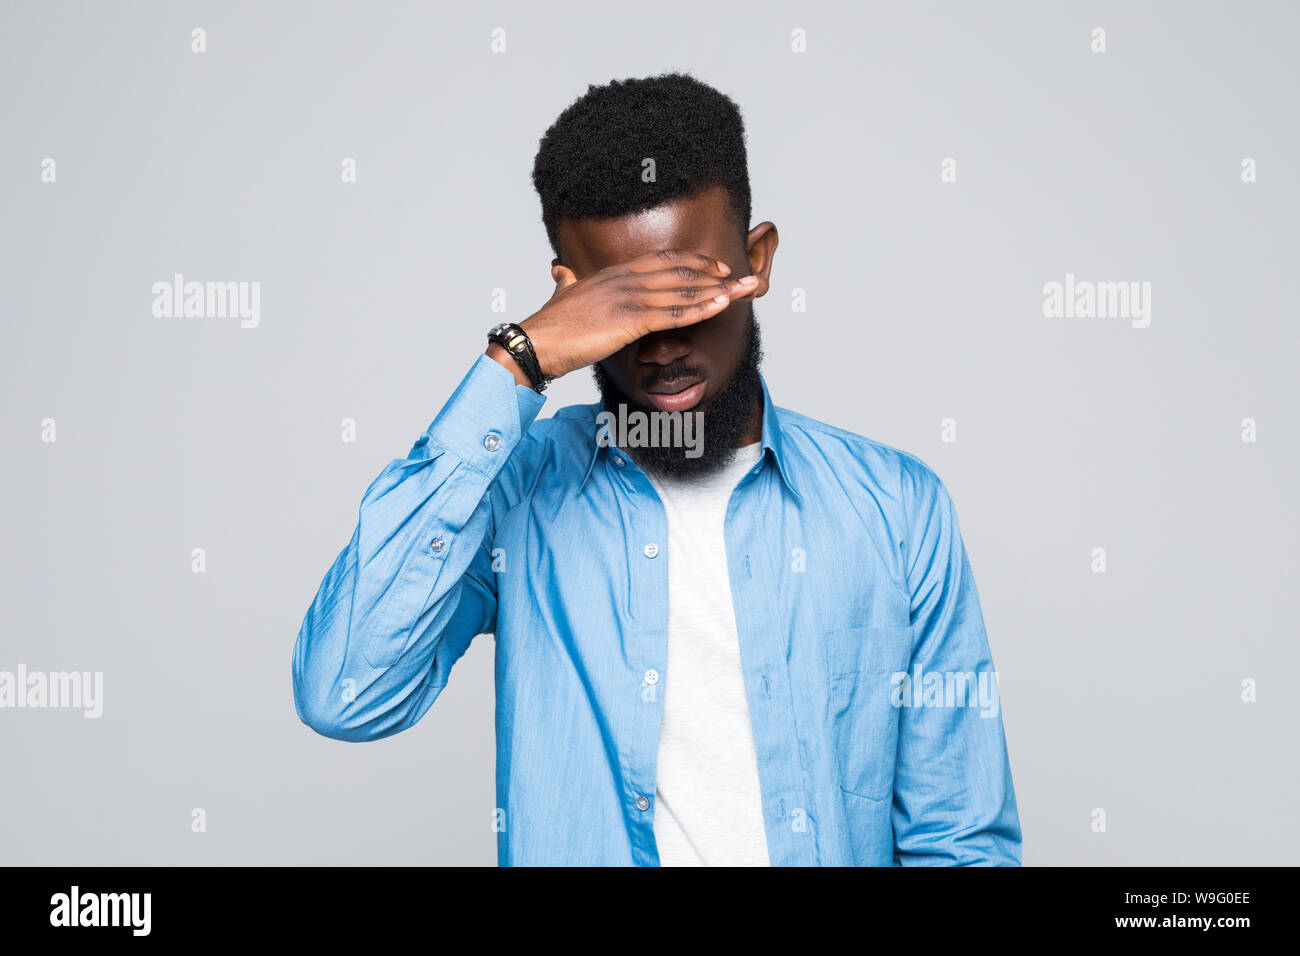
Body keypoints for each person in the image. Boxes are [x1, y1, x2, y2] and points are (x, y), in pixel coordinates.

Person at [292, 72, 1022, 866]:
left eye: (691, 291)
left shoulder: (896, 508)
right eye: (626, 303)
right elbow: (345, 694)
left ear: (757, 260)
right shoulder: (512, 491)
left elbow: (958, 840)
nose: (665, 341)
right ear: (569, 299)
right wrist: (518, 362)